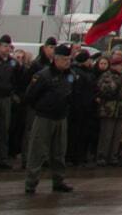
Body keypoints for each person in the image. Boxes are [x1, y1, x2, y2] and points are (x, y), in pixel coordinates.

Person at [20, 44, 76, 195]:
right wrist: (43, 107)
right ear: (56, 59)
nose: (67, 62)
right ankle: (31, 183)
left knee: (59, 152)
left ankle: (59, 181)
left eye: (69, 59)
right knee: (37, 151)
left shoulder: (70, 75)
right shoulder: (43, 75)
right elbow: (30, 96)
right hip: (44, 117)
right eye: (65, 59)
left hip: (61, 117)